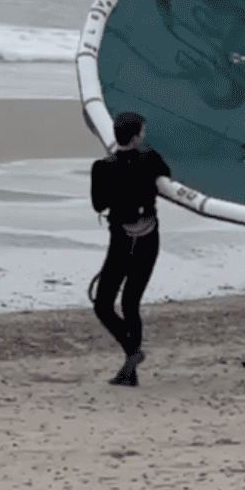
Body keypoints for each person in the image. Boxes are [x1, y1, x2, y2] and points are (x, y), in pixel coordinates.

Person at [90, 113, 170, 387]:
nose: (143, 137)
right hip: (149, 239)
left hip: (122, 241)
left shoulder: (102, 167)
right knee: (130, 303)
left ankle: (132, 359)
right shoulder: (151, 160)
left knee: (103, 305)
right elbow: (167, 182)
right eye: (142, 133)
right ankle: (131, 363)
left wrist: (119, 189)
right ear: (136, 136)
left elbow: (98, 205)